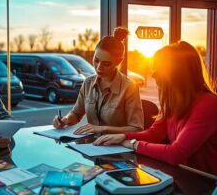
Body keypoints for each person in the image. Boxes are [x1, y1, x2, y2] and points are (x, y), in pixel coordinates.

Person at [93, 41, 217, 175]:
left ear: (176, 74)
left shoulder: (209, 105)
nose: (153, 75)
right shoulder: (173, 102)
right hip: (182, 175)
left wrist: (133, 144)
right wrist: (123, 136)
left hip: (206, 183)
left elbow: (176, 154)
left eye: (158, 70)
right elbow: (154, 134)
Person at [53, 27, 144, 134]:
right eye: (96, 60)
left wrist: (103, 129)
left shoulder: (129, 87)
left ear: (119, 61)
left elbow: (136, 128)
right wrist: (66, 119)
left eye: (106, 64)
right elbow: (76, 114)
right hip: (92, 145)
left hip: (117, 146)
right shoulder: (88, 83)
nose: (99, 67)